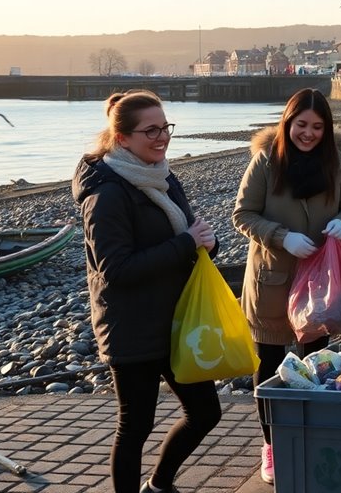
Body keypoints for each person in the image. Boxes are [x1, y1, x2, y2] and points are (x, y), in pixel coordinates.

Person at [72, 90, 221, 493]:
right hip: (131, 326)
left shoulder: (162, 176)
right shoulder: (106, 194)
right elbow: (116, 269)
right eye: (150, 131)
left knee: (205, 412)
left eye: (165, 127)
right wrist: (186, 244)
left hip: (175, 319)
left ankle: (158, 485)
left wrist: (205, 243)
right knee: (135, 426)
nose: (162, 137)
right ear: (121, 138)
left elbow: (185, 232)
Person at [231, 88, 341, 484]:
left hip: (319, 279)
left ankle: (309, 434)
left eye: (317, 127)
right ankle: (271, 444)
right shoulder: (266, 162)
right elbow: (243, 214)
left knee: (314, 360)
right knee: (269, 363)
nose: (308, 134)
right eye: (301, 125)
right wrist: (280, 235)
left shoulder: (336, 163)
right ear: (287, 123)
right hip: (272, 278)